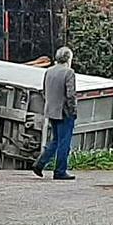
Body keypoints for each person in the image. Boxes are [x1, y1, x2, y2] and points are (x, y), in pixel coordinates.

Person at [34, 46, 77, 180]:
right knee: (64, 142)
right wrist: (73, 111)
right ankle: (60, 171)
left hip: (51, 110)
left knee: (55, 140)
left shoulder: (49, 71)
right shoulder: (69, 72)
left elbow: (44, 91)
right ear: (68, 58)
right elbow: (70, 95)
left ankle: (40, 164)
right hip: (64, 112)